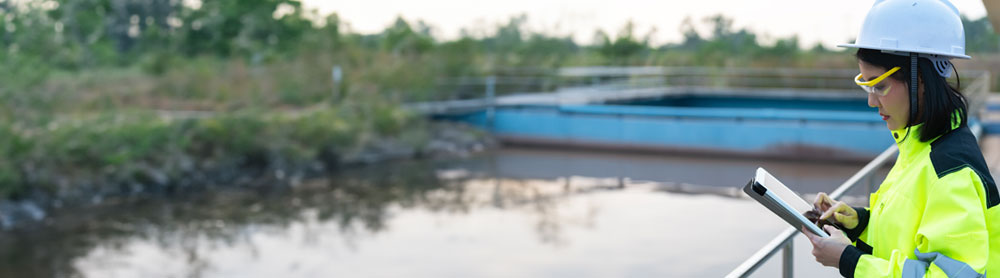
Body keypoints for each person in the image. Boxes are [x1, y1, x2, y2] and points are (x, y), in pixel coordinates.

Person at [803, 0, 1000, 277]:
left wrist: (851, 261)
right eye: (867, 85)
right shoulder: (920, 147)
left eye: (880, 86)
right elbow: (909, 235)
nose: (872, 101)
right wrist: (858, 223)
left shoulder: (950, 171)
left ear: (921, 79)